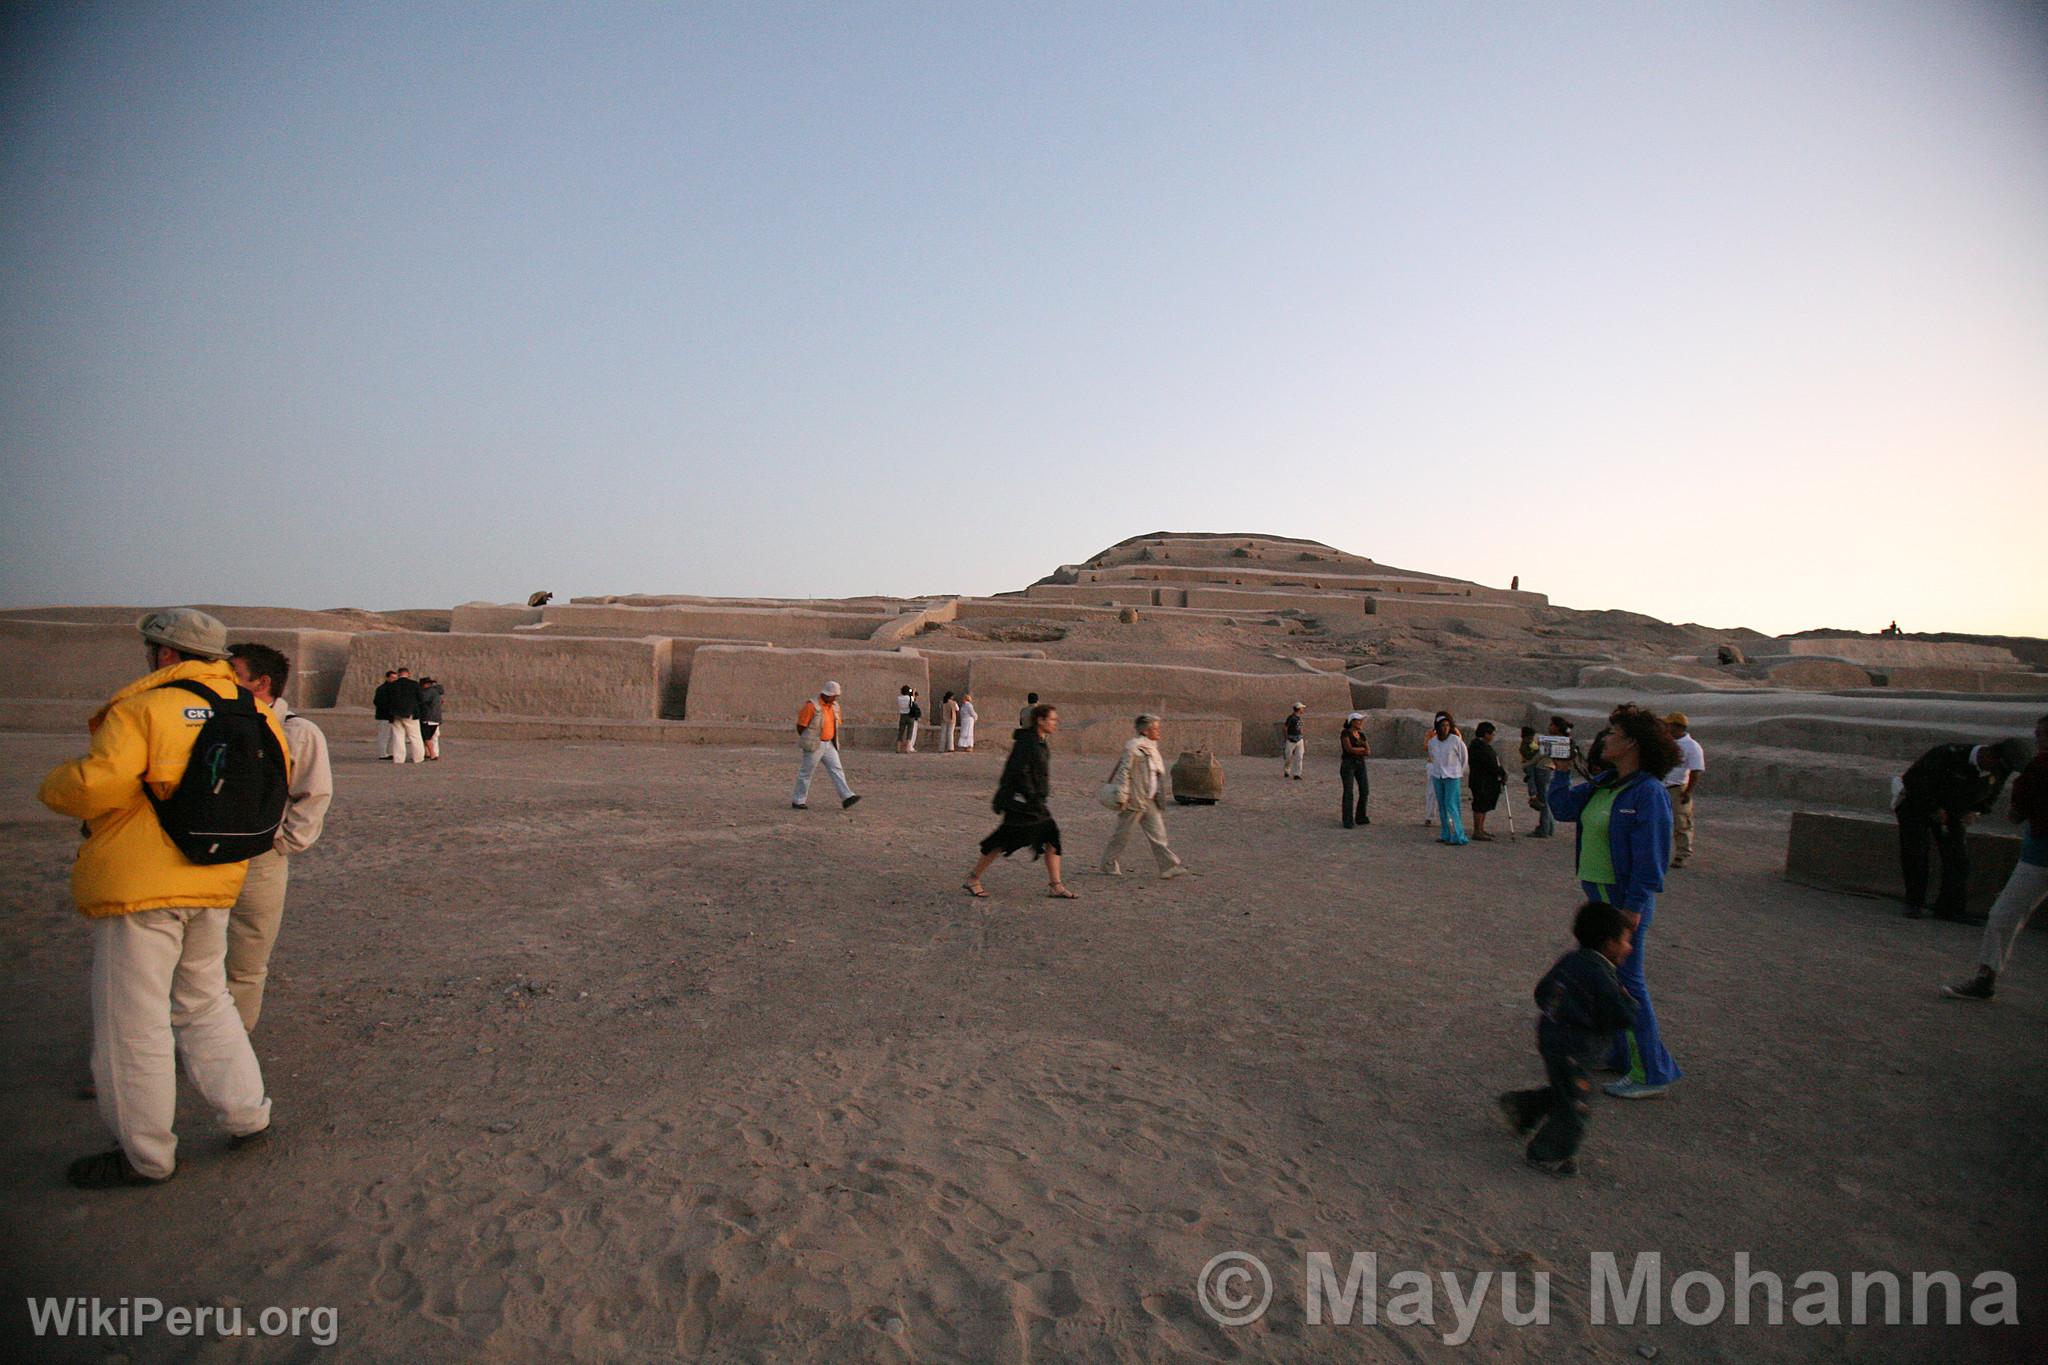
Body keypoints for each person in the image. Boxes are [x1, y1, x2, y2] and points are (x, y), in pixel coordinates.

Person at [36, 609, 284, 1187]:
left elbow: (98, 785)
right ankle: (247, 1113)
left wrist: (53, 784)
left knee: (133, 1021)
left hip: (143, 884)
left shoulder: (146, 707)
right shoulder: (257, 713)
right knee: (205, 1000)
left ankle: (144, 1155)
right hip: (216, 876)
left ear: (164, 654)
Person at [1546, 704, 1680, 1100]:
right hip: (1599, 897)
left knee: (1627, 984)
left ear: (1633, 744)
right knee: (1607, 980)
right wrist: (1560, 772)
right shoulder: (1606, 783)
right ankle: (1623, 1055)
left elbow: (1652, 859)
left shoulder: (1649, 793)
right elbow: (1564, 809)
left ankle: (1651, 1071)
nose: (1605, 739)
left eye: (1614, 734)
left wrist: (1633, 908)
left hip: (1621, 902)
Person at [224, 642, 334, 1032]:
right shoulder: (210, 720)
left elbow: (314, 794)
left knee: (246, 959)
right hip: (203, 854)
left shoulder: (296, 731)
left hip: (259, 857)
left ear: (261, 682)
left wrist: (282, 843)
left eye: (231, 673)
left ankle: (229, 1047)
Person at [1497, 900, 1637, 1177]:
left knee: (1567, 1089)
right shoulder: (1601, 976)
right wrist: (1629, 1005)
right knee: (1576, 1105)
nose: (1628, 947)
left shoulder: (1571, 960)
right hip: (1575, 1048)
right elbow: (1623, 1015)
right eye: (1625, 941)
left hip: (1553, 1038)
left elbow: (1542, 991)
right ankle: (1546, 1153)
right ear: (1608, 944)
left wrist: (1559, 1010)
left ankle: (1524, 1107)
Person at [1945, 716, 2048, 1001]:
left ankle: (1985, 978)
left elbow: (2016, 814)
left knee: (2005, 914)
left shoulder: (2037, 769)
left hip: (2039, 853)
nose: (2037, 738)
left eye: (2040, 734)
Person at [1896, 737, 2025, 923]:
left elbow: (1993, 792)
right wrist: (1934, 808)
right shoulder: (1949, 754)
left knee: (1957, 859)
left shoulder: (1999, 768)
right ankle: (1914, 903)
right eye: (1993, 764)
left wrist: (1977, 810)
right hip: (1917, 805)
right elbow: (1914, 780)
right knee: (1916, 852)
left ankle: (1949, 909)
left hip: (1954, 811)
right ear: (1988, 754)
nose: (1995, 770)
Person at [964, 704, 1074, 899]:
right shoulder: (1027, 743)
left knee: (1052, 837)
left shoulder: (1039, 741)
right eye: (1052, 719)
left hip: (1033, 803)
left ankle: (1055, 885)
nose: (1055, 723)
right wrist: (1031, 796)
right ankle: (973, 878)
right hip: (1021, 803)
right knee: (1002, 841)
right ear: (1040, 720)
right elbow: (1018, 773)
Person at [1099, 714, 1188, 879]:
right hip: (1134, 799)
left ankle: (1168, 866)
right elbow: (1124, 771)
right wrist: (1122, 794)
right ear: (1145, 731)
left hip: (1149, 799)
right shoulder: (1134, 747)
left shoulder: (1152, 748)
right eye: (1155, 728)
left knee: (1158, 834)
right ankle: (1108, 864)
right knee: (1122, 834)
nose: (1158, 731)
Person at [792, 681, 861, 810]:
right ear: (826, 694)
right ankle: (798, 800)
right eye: (834, 695)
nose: (835, 698)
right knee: (807, 772)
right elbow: (801, 725)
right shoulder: (811, 706)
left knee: (837, 770)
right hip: (815, 743)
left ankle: (846, 796)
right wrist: (809, 739)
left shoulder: (835, 706)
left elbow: (836, 724)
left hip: (829, 744)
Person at [1662, 713, 1705, 867]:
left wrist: (1688, 792)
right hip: (1660, 786)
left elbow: (1696, 770)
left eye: (1669, 725)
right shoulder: (1666, 742)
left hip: (1677, 787)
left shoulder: (1692, 746)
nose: (1666, 728)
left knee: (1681, 822)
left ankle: (1682, 854)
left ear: (1678, 727)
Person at [1426, 712, 1470, 845]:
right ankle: (1445, 834)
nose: (1445, 728)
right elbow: (1431, 757)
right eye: (1442, 725)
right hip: (1438, 776)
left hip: (1452, 776)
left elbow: (1464, 758)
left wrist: (1458, 772)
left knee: (1452, 805)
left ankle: (1458, 835)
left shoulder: (1456, 741)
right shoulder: (1432, 742)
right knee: (1442, 806)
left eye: (1447, 725)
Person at [1468, 721, 1506, 841]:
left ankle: (1481, 829)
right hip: (1481, 781)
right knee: (1479, 805)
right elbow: (1489, 764)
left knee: (1484, 805)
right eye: (1491, 734)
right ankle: (1477, 831)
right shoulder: (1479, 747)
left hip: (1486, 781)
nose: (1492, 737)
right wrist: (1500, 772)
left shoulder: (1482, 746)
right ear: (1486, 734)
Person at [1339, 712, 1371, 828]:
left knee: (1365, 790)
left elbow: (1368, 751)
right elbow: (1349, 749)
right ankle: (1347, 820)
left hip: (1360, 764)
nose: (1361, 722)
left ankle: (1360, 816)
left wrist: (1360, 750)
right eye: (1358, 720)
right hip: (1348, 764)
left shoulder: (1361, 735)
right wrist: (1361, 749)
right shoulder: (1345, 733)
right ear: (1352, 722)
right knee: (1348, 792)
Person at [388, 666, 425, 765]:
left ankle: (399, 759)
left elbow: (387, 700)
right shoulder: (414, 684)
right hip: (411, 713)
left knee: (398, 737)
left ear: (398, 674)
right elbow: (421, 699)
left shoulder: (392, 685)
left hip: (395, 714)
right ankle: (418, 758)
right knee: (415, 736)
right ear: (408, 674)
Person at [372, 669, 398, 759]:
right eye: (392, 678)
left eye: (395, 678)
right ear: (387, 678)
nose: (394, 679)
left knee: (391, 736)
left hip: (391, 716)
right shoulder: (382, 689)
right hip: (384, 716)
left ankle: (388, 752)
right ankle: (382, 753)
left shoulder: (393, 689)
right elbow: (378, 702)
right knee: (384, 735)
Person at [418, 675, 445, 760]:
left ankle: (432, 754)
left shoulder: (428, 692)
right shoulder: (437, 692)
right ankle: (432, 753)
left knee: (426, 737)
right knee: (433, 737)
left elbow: (422, 701)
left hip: (428, 718)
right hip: (436, 718)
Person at [1282, 702, 1306, 780]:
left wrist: (1302, 737)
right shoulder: (1291, 718)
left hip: (1299, 740)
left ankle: (1297, 774)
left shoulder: (1299, 718)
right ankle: (1287, 770)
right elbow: (1285, 727)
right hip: (1291, 740)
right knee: (1288, 757)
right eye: (1302, 708)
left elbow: (1300, 728)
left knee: (1299, 757)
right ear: (1298, 709)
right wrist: (1286, 738)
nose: (1303, 709)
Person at [895, 685, 918, 754]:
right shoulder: (910, 698)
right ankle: (907, 749)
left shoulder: (899, 698)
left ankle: (898, 748)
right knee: (909, 732)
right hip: (910, 715)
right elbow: (913, 701)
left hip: (902, 715)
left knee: (901, 732)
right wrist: (913, 692)